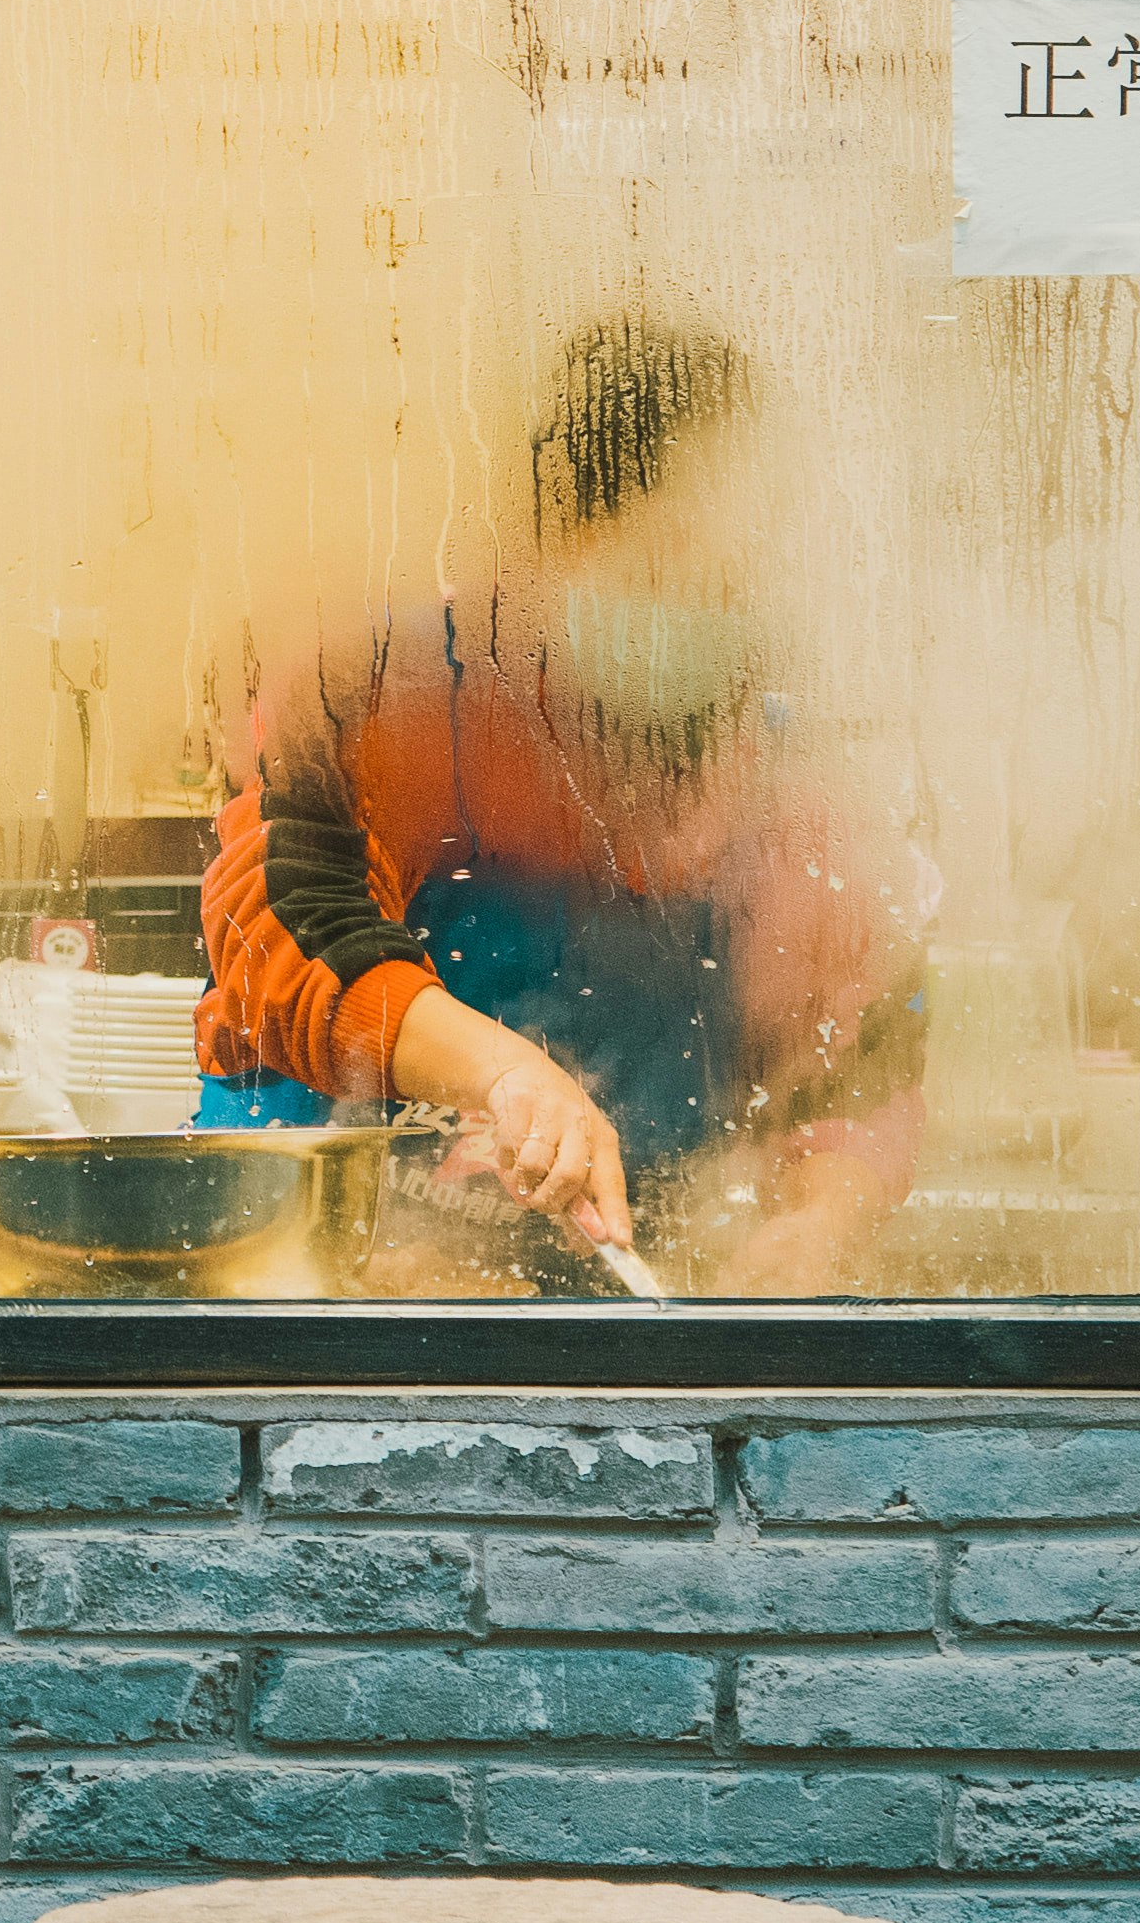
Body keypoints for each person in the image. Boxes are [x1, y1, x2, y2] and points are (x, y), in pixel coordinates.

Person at [197, 311, 927, 1292]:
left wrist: (820, 1219)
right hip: (329, 1277)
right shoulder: (392, 697)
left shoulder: (780, 776)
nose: (699, 599)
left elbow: (856, 1040)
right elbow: (280, 927)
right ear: (553, 542)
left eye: (727, 574)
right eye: (661, 561)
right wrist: (505, 1076)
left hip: (621, 1294)